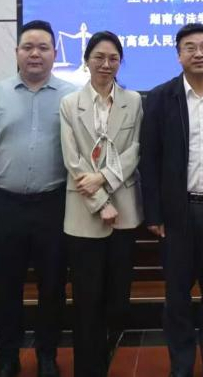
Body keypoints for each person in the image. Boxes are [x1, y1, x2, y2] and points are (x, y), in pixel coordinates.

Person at [0, 20, 76, 377]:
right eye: (28, 47)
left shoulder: (72, 97)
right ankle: (7, 357)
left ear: (54, 54)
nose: (35, 54)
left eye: (43, 47)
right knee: (6, 286)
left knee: (53, 286)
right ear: (16, 53)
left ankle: (47, 356)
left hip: (54, 205)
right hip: (6, 206)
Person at [139, 23, 203, 377]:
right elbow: (149, 159)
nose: (198, 53)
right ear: (178, 55)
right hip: (176, 214)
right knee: (177, 298)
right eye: (190, 47)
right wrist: (153, 213)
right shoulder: (160, 97)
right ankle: (181, 366)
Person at [60, 31, 143, 377]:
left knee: (117, 301)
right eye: (99, 57)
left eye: (113, 58)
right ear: (86, 61)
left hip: (123, 212)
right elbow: (73, 159)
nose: (106, 64)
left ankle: (106, 358)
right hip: (84, 213)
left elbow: (134, 150)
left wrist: (104, 179)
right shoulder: (69, 103)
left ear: (120, 62)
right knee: (86, 300)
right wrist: (98, 201)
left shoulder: (134, 101)